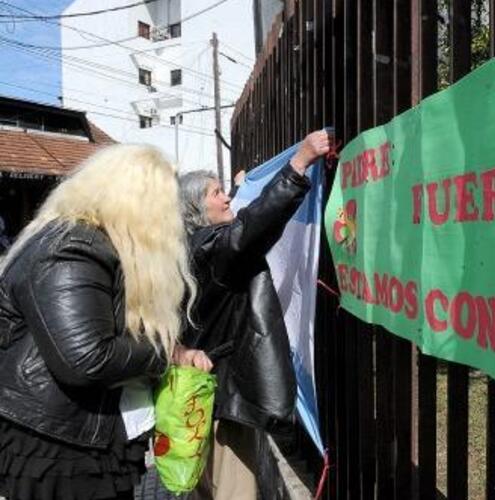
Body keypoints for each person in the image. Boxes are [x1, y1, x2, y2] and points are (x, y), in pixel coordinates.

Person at [0, 144, 212, 500]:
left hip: (86, 434)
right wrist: (166, 355)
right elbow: (85, 358)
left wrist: (172, 348)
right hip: (56, 443)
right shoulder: (70, 248)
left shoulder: (96, 243)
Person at [179, 130, 330, 500]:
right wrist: (298, 165)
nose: (227, 197)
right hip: (222, 404)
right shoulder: (212, 249)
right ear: (198, 209)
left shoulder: (187, 249)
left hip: (209, 396)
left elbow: (242, 225)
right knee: (233, 490)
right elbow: (250, 229)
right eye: (217, 193)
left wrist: (244, 188)